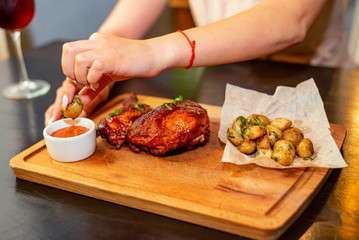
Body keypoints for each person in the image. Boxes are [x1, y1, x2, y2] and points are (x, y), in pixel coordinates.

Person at [44, 0, 355, 126]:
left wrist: (152, 53)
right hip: (220, 74)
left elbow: (290, 19)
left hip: (319, 81)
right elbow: (124, 23)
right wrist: (98, 63)